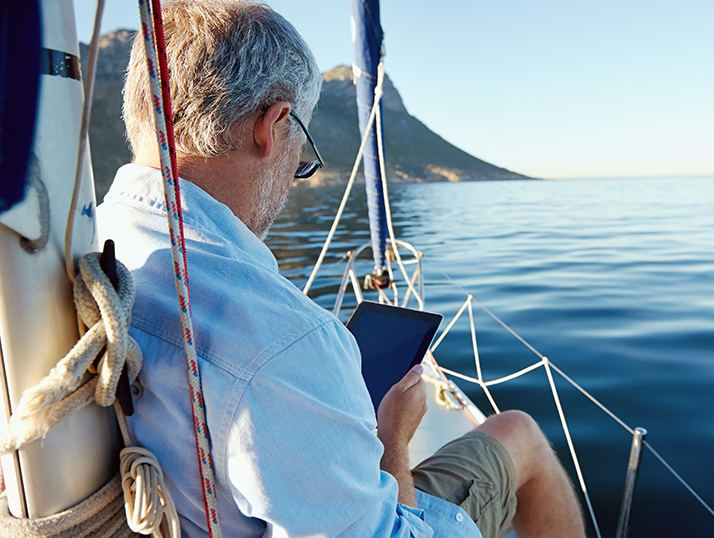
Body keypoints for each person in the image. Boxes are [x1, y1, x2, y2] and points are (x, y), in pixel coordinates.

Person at [98, 1, 586, 536]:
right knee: (519, 432)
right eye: (302, 157)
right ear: (274, 125)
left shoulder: (84, 255)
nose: (293, 178)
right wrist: (392, 442)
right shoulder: (284, 345)